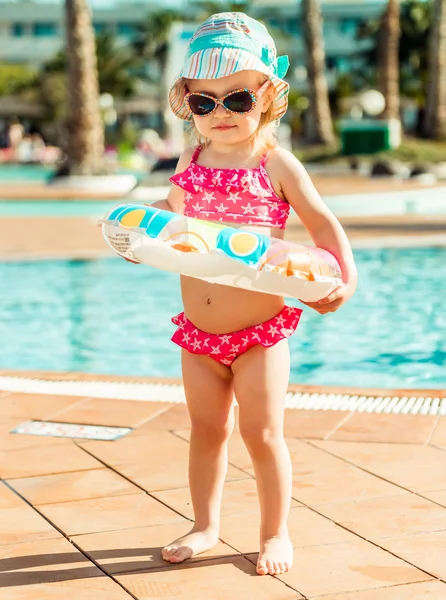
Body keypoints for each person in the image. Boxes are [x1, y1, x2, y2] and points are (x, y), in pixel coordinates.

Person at [143, 12, 357, 575]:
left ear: (266, 95)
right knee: (207, 432)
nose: (221, 115)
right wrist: (142, 229)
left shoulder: (274, 164)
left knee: (263, 434)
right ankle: (205, 526)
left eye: (236, 99)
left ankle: (274, 533)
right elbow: (175, 215)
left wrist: (342, 279)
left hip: (259, 333)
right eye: (204, 103)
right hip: (199, 333)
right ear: (186, 102)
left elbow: (323, 225)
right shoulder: (190, 161)